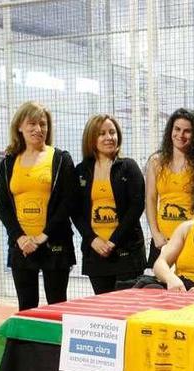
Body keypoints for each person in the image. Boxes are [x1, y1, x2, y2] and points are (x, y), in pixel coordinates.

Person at [0, 101, 76, 310]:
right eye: (32, 123)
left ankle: (56, 344)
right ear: (19, 127)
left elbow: (68, 203)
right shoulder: (8, 163)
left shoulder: (61, 159)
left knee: (57, 305)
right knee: (26, 306)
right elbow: (2, 206)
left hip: (54, 244)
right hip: (21, 247)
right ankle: (28, 345)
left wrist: (43, 236)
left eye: (43, 124)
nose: (38, 129)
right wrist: (20, 238)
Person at [73, 114, 146, 294]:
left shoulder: (129, 167)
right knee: (104, 312)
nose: (109, 138)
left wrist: (113, 241)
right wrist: (92, 240)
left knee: (127, 310)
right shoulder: (81, 171)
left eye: (112, 132)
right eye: (102, 133)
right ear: (91, 138)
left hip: (126, 252)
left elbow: (136, 206)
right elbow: (75, 212)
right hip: (95, 253)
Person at [145, 108, 194, 266]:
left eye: (187, 131)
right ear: (170, 130)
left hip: (193, 239)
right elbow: (150, 199)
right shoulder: (156, 161)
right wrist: (156, 235)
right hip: (162, 241)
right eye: (177, 129)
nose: (181, 135)